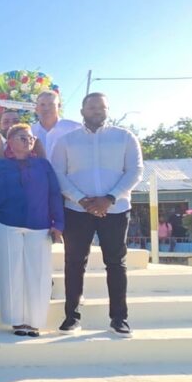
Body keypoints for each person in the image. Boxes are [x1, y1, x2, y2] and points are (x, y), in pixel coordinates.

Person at [51, 92, 143, 338]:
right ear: (82, 111)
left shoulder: (125, 137)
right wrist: (80, 199)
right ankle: (71, 317)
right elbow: (58, 174)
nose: (97, 111)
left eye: (101, 107)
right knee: (74, 263)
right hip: (77, 209)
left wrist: (109, 198)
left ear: (107, 110)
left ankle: (119, 319)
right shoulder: (66, 141)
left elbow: (135, 171)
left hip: (115, 209)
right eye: (92, 107)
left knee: (116, 263)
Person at [0, 124, 64, 337]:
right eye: (22, 137)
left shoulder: (43, 165)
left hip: (39, 227)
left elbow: (54, 194)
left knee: (38, 274)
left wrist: (58, 224)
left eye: (30, 138)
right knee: (11, 273)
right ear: (10, 141)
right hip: (7, 225)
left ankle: (34, 321)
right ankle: (17, 321)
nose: (28, 140)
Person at [0, 109, 26, 305]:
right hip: (0, 206)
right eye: (6, 121)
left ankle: (35, 287)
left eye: (15, 120)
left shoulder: (31, 142)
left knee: (29, 248)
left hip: (28, 205)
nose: (11, 124)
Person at [31, 90, 80, 159]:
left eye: (51, 104)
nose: (46, 108)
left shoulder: (74, 128)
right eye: (42, 105)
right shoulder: (31, 131)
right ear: (36, 108)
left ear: (59, 106)